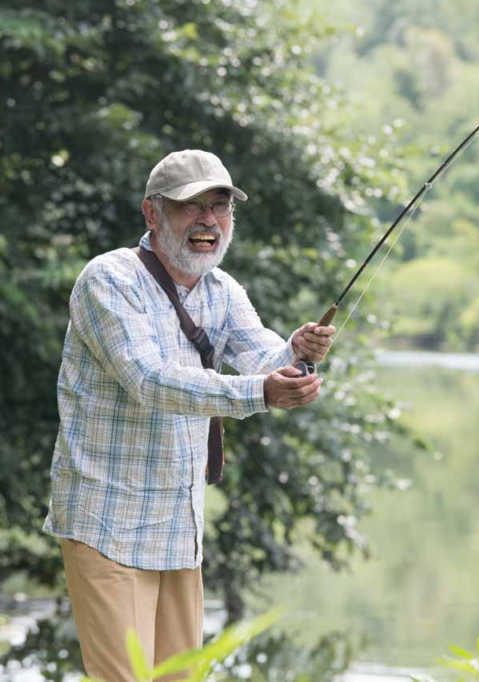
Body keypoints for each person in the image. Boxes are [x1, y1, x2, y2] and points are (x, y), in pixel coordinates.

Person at [42, 149, 335, 681]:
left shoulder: (223, 290)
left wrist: (299, 353)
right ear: (152, 214)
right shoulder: (108, 280)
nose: (208, 222)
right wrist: (261, 393)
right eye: (190, 207)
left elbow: (264, 361)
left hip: (179, 529)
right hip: (107, 520)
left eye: (220, 208)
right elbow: (148, 380)